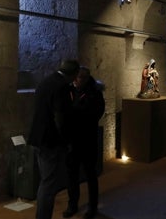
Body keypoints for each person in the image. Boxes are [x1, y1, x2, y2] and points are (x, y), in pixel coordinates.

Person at [27, 59, 80, 219]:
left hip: (38, 137)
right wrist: (67, 141)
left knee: (46, 181)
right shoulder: (62, 86)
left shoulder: (46, 81)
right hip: (50, 141)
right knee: (49, 184)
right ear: (73, 74)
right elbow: (60, 118)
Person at [64, 67, 105, 219]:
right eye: (75, 77)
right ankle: (72, 204)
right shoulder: (69, 90)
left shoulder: (94, 93)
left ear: (86, 78)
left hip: (87, 140)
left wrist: (75, 113)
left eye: (79, 78)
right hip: (72, 141)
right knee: (72, 175)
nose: (75, 80)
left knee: (90, 175)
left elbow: (95, 114)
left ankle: (92, 207)